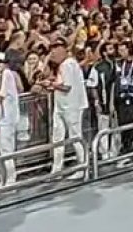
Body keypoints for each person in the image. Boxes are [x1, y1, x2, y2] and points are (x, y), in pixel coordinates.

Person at [47, 40, 88, 175]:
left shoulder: (68, 64)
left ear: (64, 50)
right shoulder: (63, 65)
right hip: (61, 106)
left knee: (75, 137)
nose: (53, 54)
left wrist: (51, 84)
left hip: (72, 106)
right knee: (57, 138)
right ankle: (57, 168)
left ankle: (83, 167)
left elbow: (67, 87)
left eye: (56, 51)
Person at [0, 52, 21, 186]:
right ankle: (2, 178)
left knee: (6, 150)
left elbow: (1, 93)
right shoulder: (1, 75)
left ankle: (10, 179)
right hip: (1, 119)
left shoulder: (7, 74)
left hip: (7, 119)